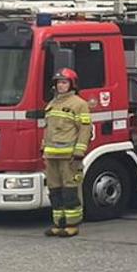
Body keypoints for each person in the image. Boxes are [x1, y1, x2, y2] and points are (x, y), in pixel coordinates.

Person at [41, 69, 91, 238]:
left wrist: (79, 152)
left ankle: (72, 224)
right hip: (51, 156)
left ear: (72, 84)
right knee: (54, 190)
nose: (61, 86)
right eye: (58, 82)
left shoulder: (79, 104)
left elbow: (84, 129)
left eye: (64, 82)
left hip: (69, 157)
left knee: (70, 190)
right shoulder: (52, 103)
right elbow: (48, 129)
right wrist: (43, 147)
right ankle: (59, 223)